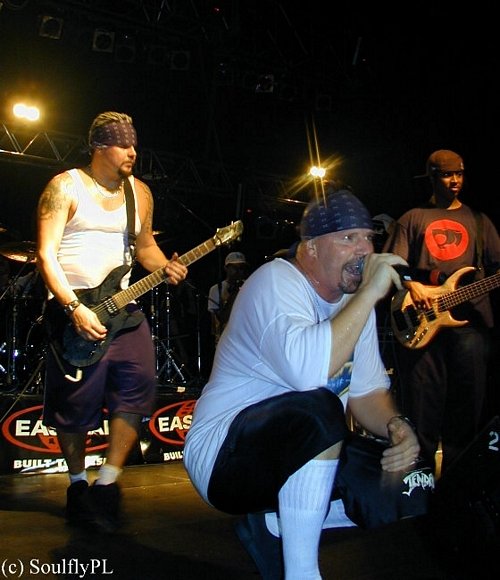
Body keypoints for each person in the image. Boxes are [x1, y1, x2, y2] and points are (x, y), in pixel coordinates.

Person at [184, 189, 433, 579]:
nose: (364, 250)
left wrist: (396, 426)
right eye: (348, 238)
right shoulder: (274, 281)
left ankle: (275, 522)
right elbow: (309, 374)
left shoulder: (355, 305)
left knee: (413, 478)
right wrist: (370, 292)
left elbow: (367, 392)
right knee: (320, 409)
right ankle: (302, 572)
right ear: (311, 248)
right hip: (223, 459)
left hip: (296, 447)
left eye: (368, 238)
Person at [36, 111, 187, 532]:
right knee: (75, 404)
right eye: (123, 144)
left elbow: (146, 247)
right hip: (72, 308)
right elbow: (46, 254)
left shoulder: (140, 192)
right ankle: (77, 484)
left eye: (134, 144)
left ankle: (108, 481)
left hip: (123, 309)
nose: (132, 151)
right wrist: (73, 307)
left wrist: (166, 266)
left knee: (138, 384)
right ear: (100, 147)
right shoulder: (65, 186)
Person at [384, 149, 500, 475]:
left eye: (459, 174)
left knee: (467, 412)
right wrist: (412, 285)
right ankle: (419, 484)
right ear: (433, 178)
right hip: (422, 324)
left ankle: (456, 485)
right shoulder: (413, 218)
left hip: (469, 326)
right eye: (448, 175)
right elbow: (392, 263)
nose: (455, 181)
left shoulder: (479, 221)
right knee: (422, 410)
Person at [207, 251, 249, 344]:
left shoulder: (249, 285)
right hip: (226, 340)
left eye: (241, 267)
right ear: (226, 268)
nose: (238, 271)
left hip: (246, 338)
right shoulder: (216, 289)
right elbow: (217, 320)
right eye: (234, 267)